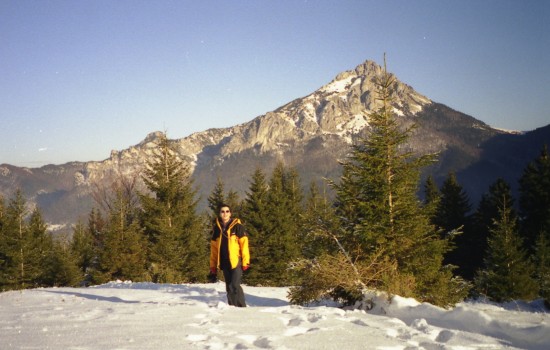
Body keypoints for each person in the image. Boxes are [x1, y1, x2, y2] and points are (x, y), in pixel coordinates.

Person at [209, 204, 250, 307]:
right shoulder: (217, 229)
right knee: (228, 286)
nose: (225, 213)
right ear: (219, 213)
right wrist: (213, 266)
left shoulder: (237, 227)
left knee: (235, 285)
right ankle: (232, 307)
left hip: (236, 260)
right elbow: (214, 249)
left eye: (227, 211)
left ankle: (241, 307)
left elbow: (244, 245)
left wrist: (246, 261)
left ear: (230, 213)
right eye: (222, 211)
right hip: (224, 260)